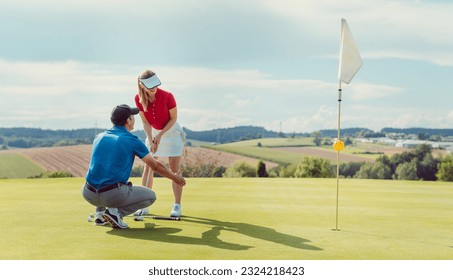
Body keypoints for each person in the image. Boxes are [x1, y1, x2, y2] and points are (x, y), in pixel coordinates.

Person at [82, 104, 186, 229]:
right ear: (128, 121)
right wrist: (174, 177)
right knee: (150, 196)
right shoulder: (132, 140)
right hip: (112, 194)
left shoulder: (99, 137)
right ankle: (116, 214)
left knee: (103, 175)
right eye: (132, 116)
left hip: (88, 193)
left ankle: (100, 214)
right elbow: (155, 166)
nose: (134, 119)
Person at [134, 69, 186, 217]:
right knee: (148, 167)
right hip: (153, 132)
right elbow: (145, 122)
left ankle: (177, 205)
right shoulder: (138, 99)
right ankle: (144, 205)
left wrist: (161, 135)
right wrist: (150, 139)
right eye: (150, 85)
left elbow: (173, 119)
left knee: (174, 169)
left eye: (155, 84)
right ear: (142, 85)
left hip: (171, 133)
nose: (154, 88)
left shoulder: (168, 96)